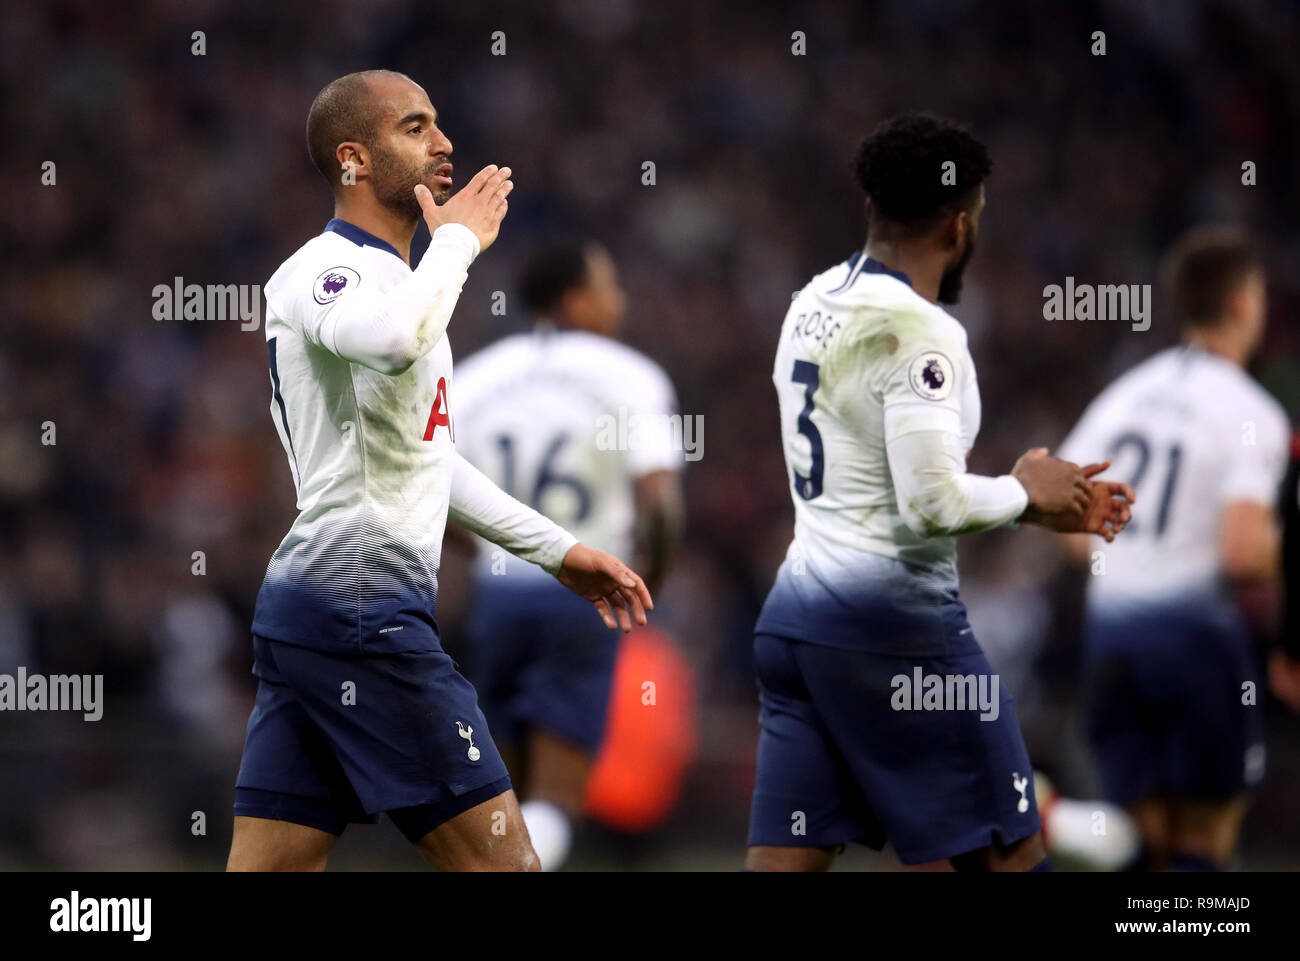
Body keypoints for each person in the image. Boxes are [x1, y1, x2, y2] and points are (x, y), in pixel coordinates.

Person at [226, 70, 652, 872]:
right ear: (353, 159)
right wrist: (458, 239)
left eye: (439, 125)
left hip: (318, 617)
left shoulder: (405, 285)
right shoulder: (328, 271)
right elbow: (392, 341)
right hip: (361, 614)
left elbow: (432, 463)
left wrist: (558, 551)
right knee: (505, 864)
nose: (445, 143)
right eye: (414, 127)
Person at [745, 113, 1133, 872]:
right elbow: (932, 504)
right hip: (893, 629)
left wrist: (1027, 503)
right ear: (961, 226)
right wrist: (1024, 492)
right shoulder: (921, 331)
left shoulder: (811, 300)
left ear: (870, 210)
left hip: (796, 625)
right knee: (1012, 857)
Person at [1056, 226, 1291, 870]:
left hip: (1111, 641)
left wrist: (1133, 556)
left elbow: (1069, 531)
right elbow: (1243, 553)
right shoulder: (1251, 412)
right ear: (1243, 304)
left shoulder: (1124, 395)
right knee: (1204, 845)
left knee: (1143, 845)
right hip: (1195, 642)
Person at [450, 240, 684, 869]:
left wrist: (483, 560)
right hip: (586, 594)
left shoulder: (474, 377)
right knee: (557, 795)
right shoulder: (629, 375)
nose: (621, 301)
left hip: (498, 596)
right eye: (609, 287)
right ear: (577, 300)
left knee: (503, 791)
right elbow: (660, 506)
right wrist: (644, 583)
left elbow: (433, 493)